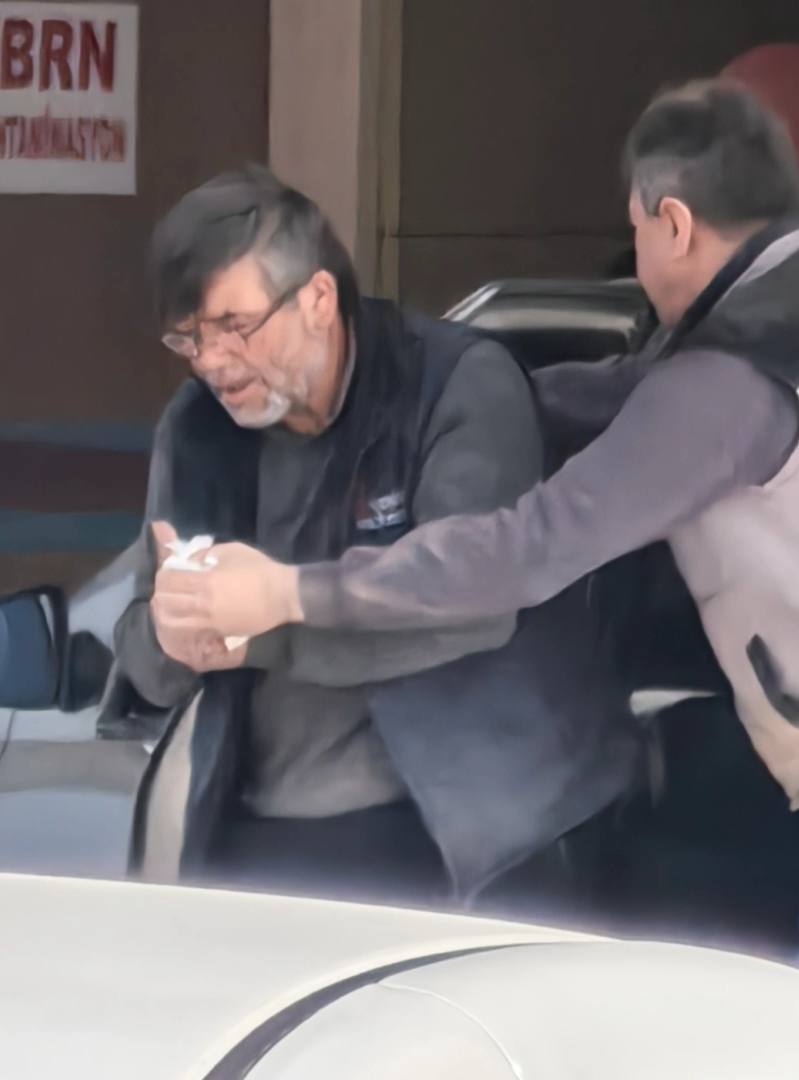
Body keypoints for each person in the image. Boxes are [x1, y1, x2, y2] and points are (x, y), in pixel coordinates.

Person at [151, 84, 799, 1044]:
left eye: (635, 229)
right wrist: (470, 399)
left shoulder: (732, 383)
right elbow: (637, 398)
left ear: (672, 222)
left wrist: (287, 591)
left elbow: (527, 552)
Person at [118, 166, 635, 911]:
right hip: (258, 834)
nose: (211, 361)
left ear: (318, 299)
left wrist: (269, 614)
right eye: (189, 337)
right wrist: (169, 636)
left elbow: (474, 603)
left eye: (235, 326)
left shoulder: (456, 384)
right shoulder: (198, 428)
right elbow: (143, 651)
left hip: (472, 833)